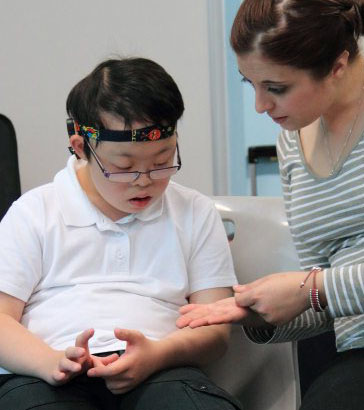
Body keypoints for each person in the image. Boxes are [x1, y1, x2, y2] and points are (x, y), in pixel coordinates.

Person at [0, 57, 243, 410]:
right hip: (44, 376)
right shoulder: (35, 213)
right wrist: (49, 362)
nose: (144, 180)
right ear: (82, 147)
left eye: (162, 161)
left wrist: (158, 355)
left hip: (163, 370)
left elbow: (216, 331)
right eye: (123, 167)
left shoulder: (194, 213)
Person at [177, 1, 364, 409]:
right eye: (250, 84)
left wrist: (310, 290)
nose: (261, 106)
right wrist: (256, 314)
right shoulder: (293, 142)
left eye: (276, 88)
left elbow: (319, 290)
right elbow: (325, 295)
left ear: (337, 65)